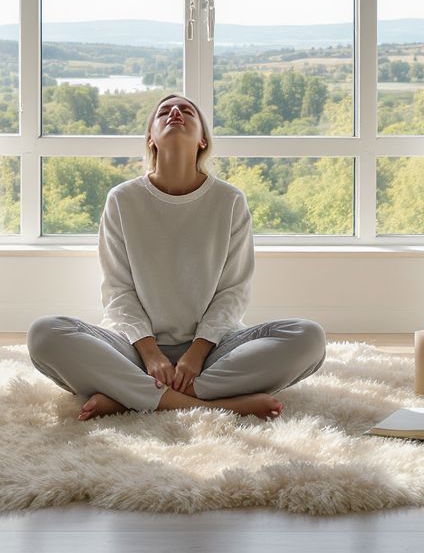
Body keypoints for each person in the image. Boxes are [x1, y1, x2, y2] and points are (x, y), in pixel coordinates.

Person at [27, 92, 327, 421]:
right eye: (164, 112)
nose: (175, 113)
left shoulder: (229, 201)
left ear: (202, 140)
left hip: (214, 350)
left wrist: (197, 354)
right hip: (133, 349)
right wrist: (151, 353)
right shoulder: (122, 200)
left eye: (187, 111)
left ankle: (131, 397)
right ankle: (212, 404)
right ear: (150, 138)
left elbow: (233, 291)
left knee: (308, 338)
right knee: (45, 334)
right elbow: (118, 290)